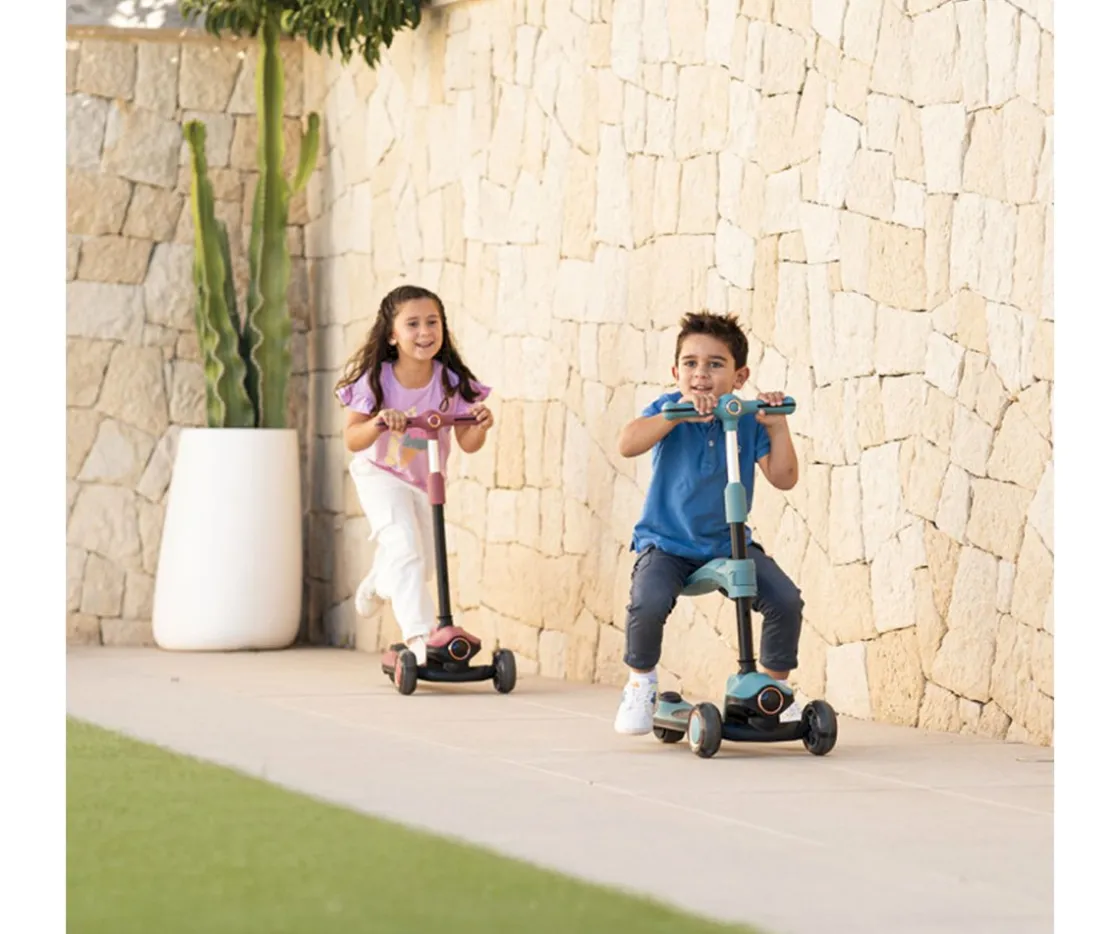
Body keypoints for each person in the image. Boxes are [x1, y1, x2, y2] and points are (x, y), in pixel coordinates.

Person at [613, 311, 804, 735]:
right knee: (648, 601)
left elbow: (784, 478)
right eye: (691, 363)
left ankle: (771, 695)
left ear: (740, 377)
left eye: (715, 364)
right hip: (667, 543)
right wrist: (673, 416)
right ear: (675, 372)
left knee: (785, 600)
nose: (701, 373)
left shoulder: (747, 417)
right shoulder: (668, 409)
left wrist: (777, 426)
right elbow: (627, 444)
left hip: (727, 544)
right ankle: (640, 685)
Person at [335, 284, 493, 666]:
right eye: (412, 324)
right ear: (392, 335)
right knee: (405, 546)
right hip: (380, 473)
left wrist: (480, 425)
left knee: (421, 561)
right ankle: (421, 639)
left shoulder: (451, 382)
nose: (424, 332)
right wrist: (378, 422)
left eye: (432, 322)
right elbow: (352, 438)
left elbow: (468, 442)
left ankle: (378, 581)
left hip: (424, 480)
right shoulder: (378, 379)